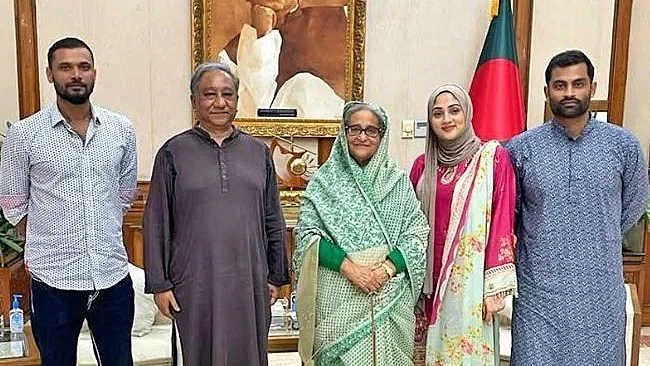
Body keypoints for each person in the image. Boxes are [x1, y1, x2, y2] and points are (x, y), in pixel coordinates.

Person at [0, 37, 138, 365]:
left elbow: (124, 194)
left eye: (83, 67)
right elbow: (13, 203)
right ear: (50, 74)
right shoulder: (25, 134)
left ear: (94, 73)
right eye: (66, 67)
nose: (76, 74)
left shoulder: (121, 130)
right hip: (54, 281)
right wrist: (51, 242)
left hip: (112, 277)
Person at [507, 50, 649, 366]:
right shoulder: (521, 149)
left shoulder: (623, 146)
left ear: (592, 88)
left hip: (600, 288)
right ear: (546, 92)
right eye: (560, 85)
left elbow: (635, 204)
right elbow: (511, 213)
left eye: (578, 84)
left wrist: (598, 232)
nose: (569, 93)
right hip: (539, 292)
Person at [143, 62, 289, 366]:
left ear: (237, 99)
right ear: (194, 101)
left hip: (249, 280)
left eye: (228, 94)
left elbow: (273, 218)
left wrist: (276, 275)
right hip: (193, 283)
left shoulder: (258, 152)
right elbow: (157, 222)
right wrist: (160, 284)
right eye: (209, 94)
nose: (219, 102)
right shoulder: (173, 152)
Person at [293, 101, 429, 365]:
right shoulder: (324, 181)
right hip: (338, 293)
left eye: (371, 130)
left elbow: (416, 233)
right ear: (343, 134)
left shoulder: (397, 181)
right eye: (354, 129)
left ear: (382, 134)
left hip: (388, 293)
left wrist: (386, 270)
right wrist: (351, 270)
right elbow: (307, 236)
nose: (362, 136)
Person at [409, 84, 517, 365]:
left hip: (470, 280)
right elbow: (409, 223)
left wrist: (494, 290)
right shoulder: (423, 165)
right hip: (425, 281)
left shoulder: (493, 158)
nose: (446, 119)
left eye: (454, 111)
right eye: (438, 113)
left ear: (467, 113)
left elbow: (502, 221)